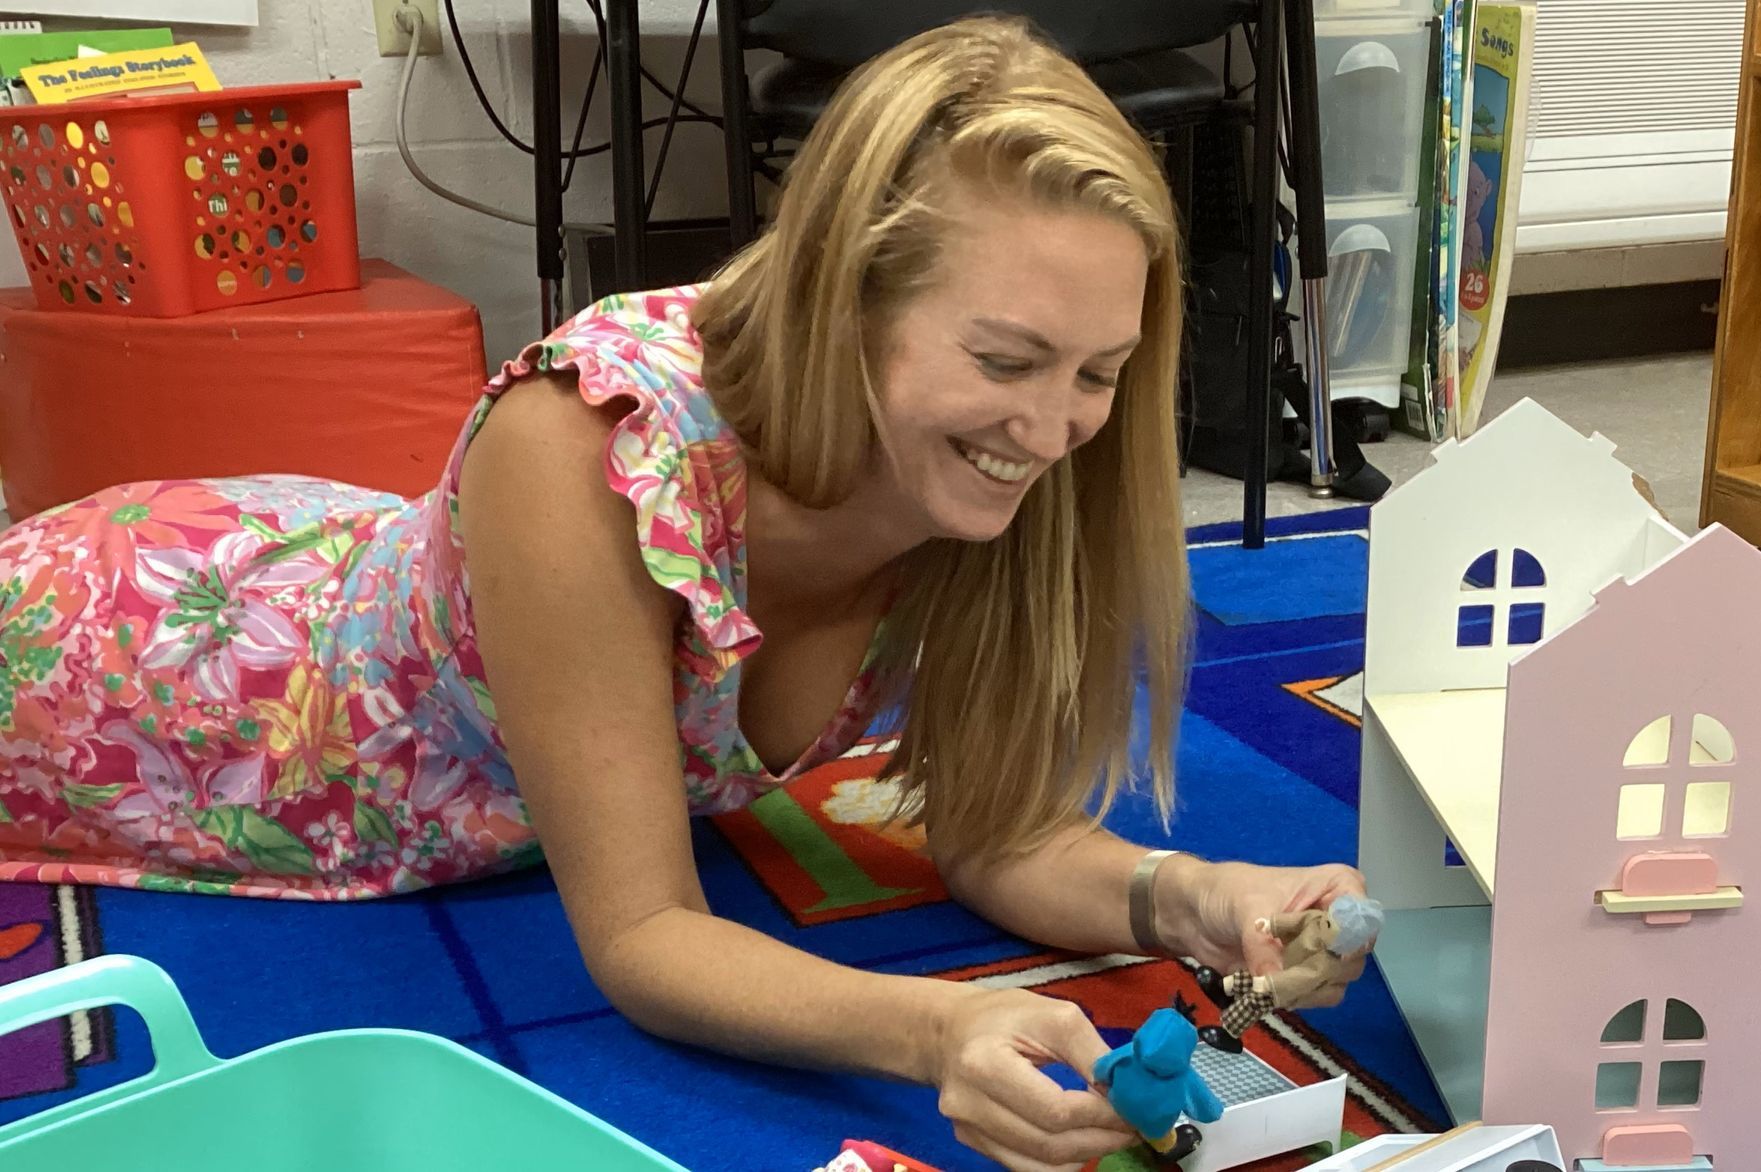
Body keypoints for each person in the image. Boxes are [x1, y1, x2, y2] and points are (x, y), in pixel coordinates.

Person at [0, 17, 1366, 1171]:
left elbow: (996, 837)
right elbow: (646, 935)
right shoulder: (582, 442)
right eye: (1008, 359)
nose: (1059, 424)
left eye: (1099, 368)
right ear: (846, 302)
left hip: (367, 583)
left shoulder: (1008, 464)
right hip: (159, 663)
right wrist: (932, 1029)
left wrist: (1189, 894)